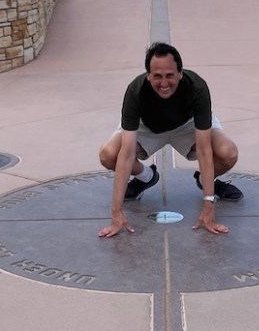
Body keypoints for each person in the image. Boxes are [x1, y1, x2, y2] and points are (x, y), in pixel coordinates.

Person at [98, 42, 241, 238]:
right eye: (157, 76)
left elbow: (204, 150)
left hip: (187, 125)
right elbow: (126, 153)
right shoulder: (135, 91)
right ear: (148, 75)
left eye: (169, 75)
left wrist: (209, 206)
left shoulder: (197, 87)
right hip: (147, 127)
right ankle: (146, 177)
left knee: (228, 152)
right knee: (108, 155)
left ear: (180, 73)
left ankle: (207, 181)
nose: (164, 83)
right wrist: (116, 213)